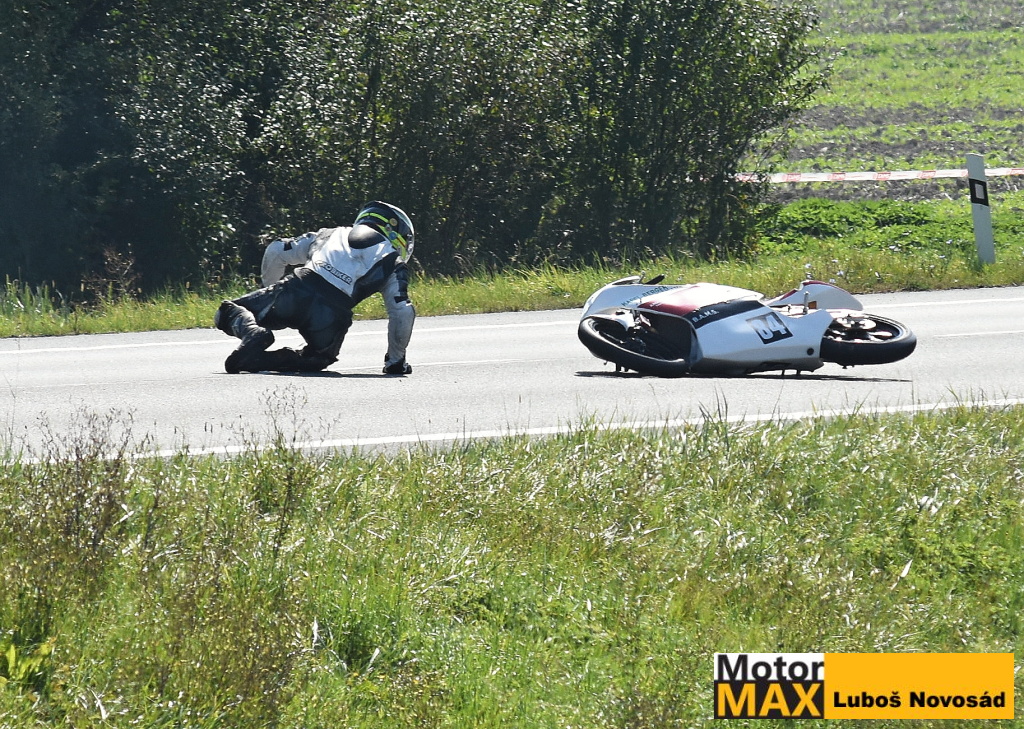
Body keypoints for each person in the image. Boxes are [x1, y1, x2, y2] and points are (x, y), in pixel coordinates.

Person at [214, 201, 415, 374]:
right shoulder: (394, 262)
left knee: (225, 312)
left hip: (295, 292)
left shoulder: (329, 234)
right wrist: (395, 361)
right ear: (396, 234)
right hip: (332, 318)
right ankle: (281, 359)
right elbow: (402, 311)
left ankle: (252, 333)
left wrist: (271, 290)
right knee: (317, 359)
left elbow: (276, 250)